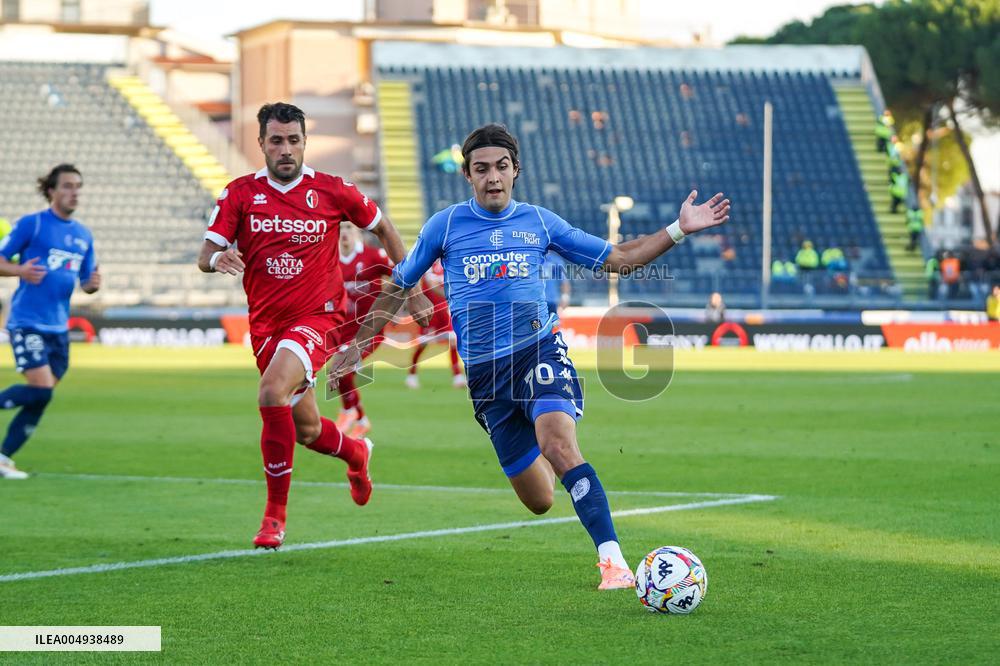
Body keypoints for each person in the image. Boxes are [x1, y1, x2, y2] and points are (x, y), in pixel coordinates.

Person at [329, 123, 730, 590]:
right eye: (481, 169)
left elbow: (621, 258)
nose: (492, 177)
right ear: (468, 175)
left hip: (537, 350)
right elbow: (397, 285)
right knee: (540, 499)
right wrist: (356, 350)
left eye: (501, 167)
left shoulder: (539, 222)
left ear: (515, 170)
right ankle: (559, 460)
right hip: (486, 378)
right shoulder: (445, 226)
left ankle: (613, 562)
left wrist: (680, 228)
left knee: (559, 443)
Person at [197, 102, 429, 549]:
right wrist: (217, 258)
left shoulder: (332, 190)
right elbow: (204, 255)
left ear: (305, 142)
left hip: (318, 319)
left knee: (269, 394)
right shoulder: (239, 194)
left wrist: (412, 287)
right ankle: (357, 453)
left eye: (294, 140)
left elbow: (385, 227)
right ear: (261, 143)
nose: (286, 149)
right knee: (304, 429)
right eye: (277, 140)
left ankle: (274, 517)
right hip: (266, 327)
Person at [0, 164, 101, 479]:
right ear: (51, 191)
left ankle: (3, 458)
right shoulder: (34, 225)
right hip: (28, 321)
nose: (74, 192)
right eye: (68, 186)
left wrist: (93, 284)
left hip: (59, 327)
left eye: (78, 186)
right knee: (41, 390)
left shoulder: (83, 235)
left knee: (42, 395)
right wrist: (20, 271)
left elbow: (87, 280)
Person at [334, 223, 394, 439]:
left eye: (349, 227)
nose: (344, 233)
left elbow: (402, 272)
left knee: (341, 368)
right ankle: (360, 419)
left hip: (370, 331)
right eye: (340, 228)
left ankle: (349, 412)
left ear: (358, 232)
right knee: (339, 373)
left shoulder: (373, 256)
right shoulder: (331, 260)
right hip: (342, 332)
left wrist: (396, 302)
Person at [405, 259, 466, 390]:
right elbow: (431, 284)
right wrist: (452, 296)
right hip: (431, 310)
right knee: (423, 345)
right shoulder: (430, 263)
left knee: (453, 340)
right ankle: (411, 374)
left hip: (444, 311)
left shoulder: (451, 262)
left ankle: (457, 377)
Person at [541, 250, 570, 316]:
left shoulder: (555, 260)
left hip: (550, 300)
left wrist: (565, 297)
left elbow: (564, 281)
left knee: (550, 324)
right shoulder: (532, 258)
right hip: (535, 301)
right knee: (535, 324)